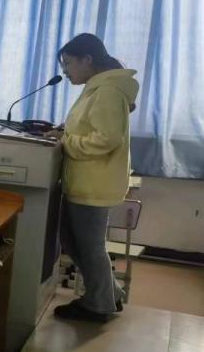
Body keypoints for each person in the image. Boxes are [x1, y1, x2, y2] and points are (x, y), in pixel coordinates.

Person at [48, 33, 139, 322]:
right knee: (77, 243)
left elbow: (106, 139)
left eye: (68, 63)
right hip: (87, 180)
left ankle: (99, 304)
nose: (65, 71)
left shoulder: (107, 90)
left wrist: (66, 141)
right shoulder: (98, 87)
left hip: (94, 182)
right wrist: (65, 131)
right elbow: (91, 127)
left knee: (89, 247)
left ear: (87, 59)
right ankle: (110, 294)